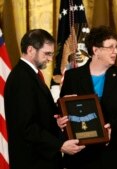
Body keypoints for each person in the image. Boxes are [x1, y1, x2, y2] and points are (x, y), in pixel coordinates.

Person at [59, 25, 117, 169]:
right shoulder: (73, 77)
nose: (115, 51)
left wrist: (113, 126)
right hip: (82, 154)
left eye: (116, 47)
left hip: (114, 152)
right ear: (95, 50)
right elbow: (63, 109)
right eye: (110, 47)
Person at [4, 29, 85, 169]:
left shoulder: (30, 75)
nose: (50, 59)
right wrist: (59, 145)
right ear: (30, 50)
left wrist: (61, 108)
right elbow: (27, 127)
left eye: (52, 54)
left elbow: (37, 112)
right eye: (47, 53)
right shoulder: (22, 78)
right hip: (33, 162)